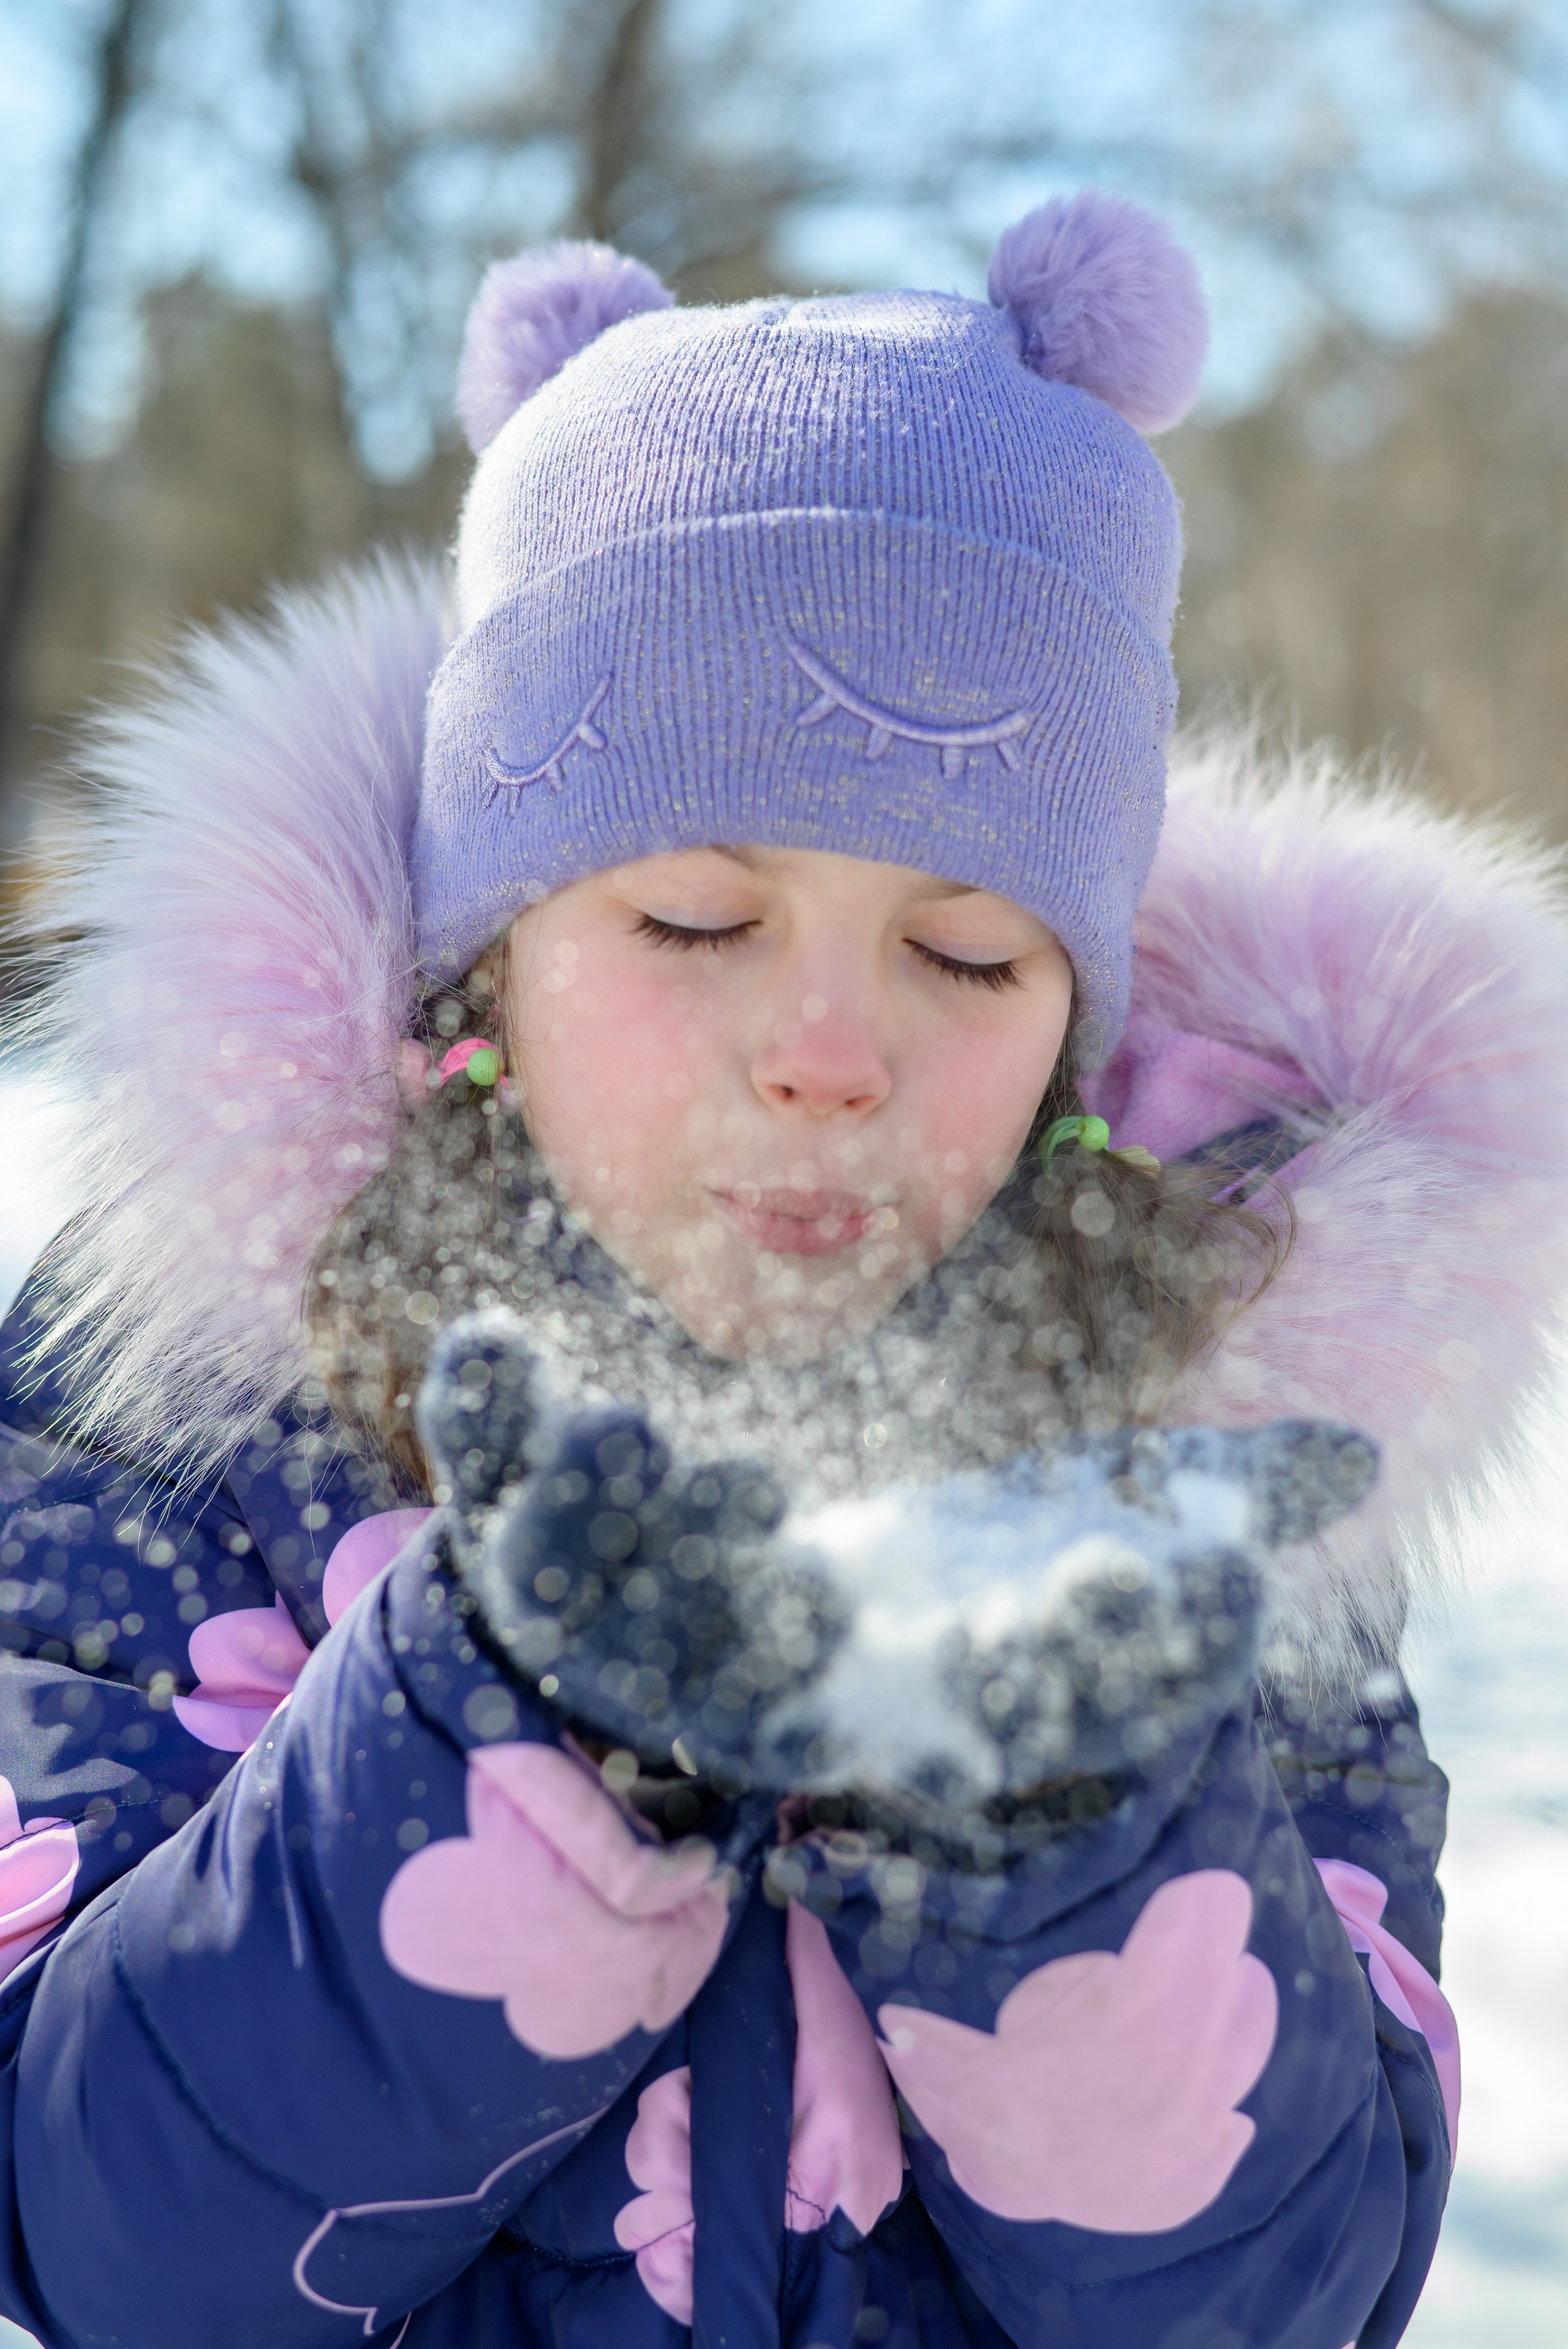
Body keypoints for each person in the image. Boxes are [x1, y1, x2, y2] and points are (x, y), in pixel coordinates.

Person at [0, 191, 1563, 2349]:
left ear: (1078, 1022)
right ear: (491, 951)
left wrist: (1062, 1807)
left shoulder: (1203, 1463)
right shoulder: (187, 1415)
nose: (832, 1051)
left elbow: (1299, 2297)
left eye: (965, 950)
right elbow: (98, 2239)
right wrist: (521, 1728)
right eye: (694, 921)